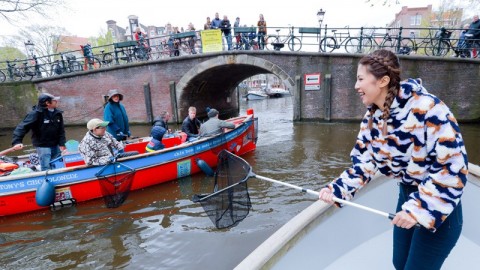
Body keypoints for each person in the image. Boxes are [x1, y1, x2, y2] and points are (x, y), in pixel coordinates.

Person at [318, 49, 468, 270]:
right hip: (407, 197)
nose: (356, 86)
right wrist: (337, 189)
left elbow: (453, 168)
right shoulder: (372, 116)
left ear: (383, 81)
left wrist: (418, 209)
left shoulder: (430, 109)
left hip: (438, 208)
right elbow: (365, 162)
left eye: (360, 79)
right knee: (399, 264)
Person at [12, 93, 66, 171]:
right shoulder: (35, 114)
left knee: (58, 164)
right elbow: (22, 127)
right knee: (46, 166)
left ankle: (60, 178)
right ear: (47, 103)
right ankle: (47, 178)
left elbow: (61, 130)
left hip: (55, 144)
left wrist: (62, 143)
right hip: (43, 145)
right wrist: (17, 142)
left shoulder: (57, 113)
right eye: (54, 101)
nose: (57, 102)